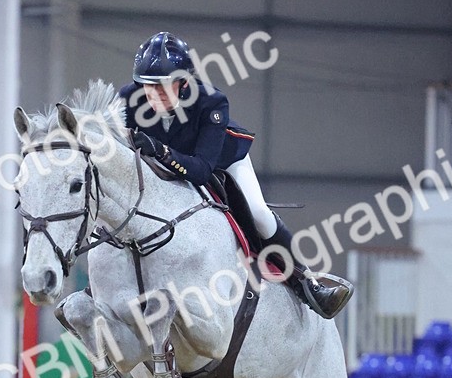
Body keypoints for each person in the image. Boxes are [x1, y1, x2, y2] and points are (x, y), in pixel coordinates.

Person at [119, 31, 352, 320]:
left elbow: (202, 169)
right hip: (164, 168)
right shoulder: (127, 100)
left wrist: (162, 151)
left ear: (184, 82)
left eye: (164, 87)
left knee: (258, 213)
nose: (154, 96)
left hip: (222, 161)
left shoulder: (211, 103)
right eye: (149, 87)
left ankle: (306, 283)